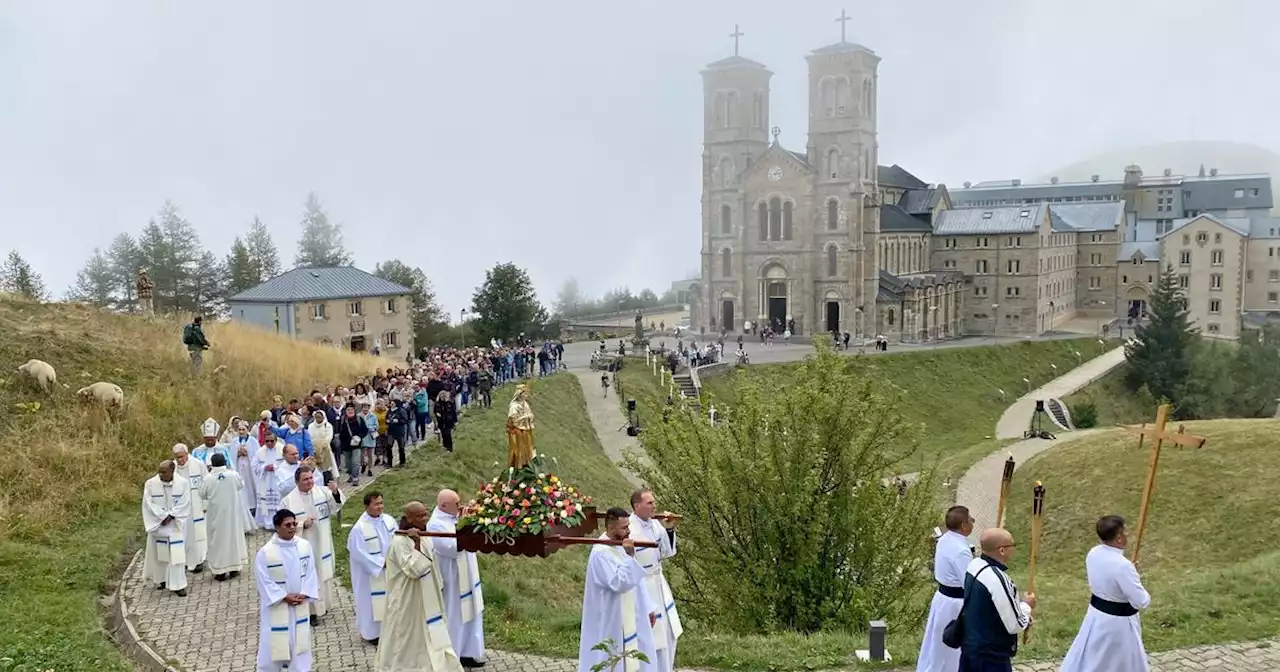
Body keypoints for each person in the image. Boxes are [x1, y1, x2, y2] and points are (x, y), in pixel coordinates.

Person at [374, 501, 463, 672]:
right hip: (408, 600)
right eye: (420, 516)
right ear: (409, 518)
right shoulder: (400, 542)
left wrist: (438, 586)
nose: (425, 518)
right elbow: (415, 569)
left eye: (426, 514)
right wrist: (415, 543)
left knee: (431, 633)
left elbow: (431, 563)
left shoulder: (424, 536)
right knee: (408, 636)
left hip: (427, 595)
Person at [1060, 515, 1151, 672]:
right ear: (1119, 538)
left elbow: (1109, 578)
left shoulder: (1094, 553)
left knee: (1092, 657)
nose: (1127, 535)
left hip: (1096, 617)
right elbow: (1140, 601)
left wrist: (1130, 574)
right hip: (1118, 626)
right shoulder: (1123, 566)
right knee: (1116, 663)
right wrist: (1134, 577)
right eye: (1125, 532)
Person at [578, 507, 658, 672]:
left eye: (628, 526)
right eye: (624, 527)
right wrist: (630, 557)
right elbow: (619, 583)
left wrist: (648, 607)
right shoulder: (600, 553)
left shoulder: (621, 544)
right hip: (613, 617)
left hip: (632, 614)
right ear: (611, 527)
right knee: (614, 659)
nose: (628, 531)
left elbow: (637, 581)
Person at [958, 528, 1035, 672]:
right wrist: (1026, 606)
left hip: (970, 646)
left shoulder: (974, 566)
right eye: (1012, 545)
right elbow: (1015, 624)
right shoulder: (998, 579)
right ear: (1002, 550)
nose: (1014, 549)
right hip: (990, 655)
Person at [254, 508, 320, 672]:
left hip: (299, 603)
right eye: (287, 525)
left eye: (294, 524)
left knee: (299, 642)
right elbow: (264, 581)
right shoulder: (266, 553)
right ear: (277, 527)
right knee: (275, 642)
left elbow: (311, 571)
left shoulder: (304, 546)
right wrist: (284, 596)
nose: (292, 527)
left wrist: (305, 593)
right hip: (278, 607)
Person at [428, 490, 486, 668]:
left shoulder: (454, 517)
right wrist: (464, 525)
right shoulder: (435, 524)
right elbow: (452, 548)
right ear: (444, 506)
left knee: (472, 611)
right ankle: (454, 654)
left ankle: (471, 652)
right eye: (456, 503)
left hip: (467, 574)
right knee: (455, 615)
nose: (460, 506)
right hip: (452, 578)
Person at [281, 464, 342, 626]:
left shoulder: (322, 492)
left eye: (311, 478)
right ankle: (311, 612)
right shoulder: (288, 500)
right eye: (305, 479)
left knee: (322, 573)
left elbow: (335, 507)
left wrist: (335, 493)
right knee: (307, 576)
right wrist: (301, 525)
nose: (309, 482)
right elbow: (282, 524)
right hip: (303, 544)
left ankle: (324, 606)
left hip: (322, 542)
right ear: (297, 481)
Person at [917, 506, 975, 672]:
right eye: (971, 520)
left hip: (942, 598)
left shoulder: (944, 539)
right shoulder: (961, 550)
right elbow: (968, 582)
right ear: (964, 525)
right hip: (955, 604)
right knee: (951, 648)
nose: (972, 524)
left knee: (937, 645)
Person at [629, 490, 682, 672]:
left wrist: (668, 528)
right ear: (637, 506)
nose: (654, 506)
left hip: (659, 583)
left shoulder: (654, 525)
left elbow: (667, 552)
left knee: (667, 631)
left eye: (654, 502)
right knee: (651, 634)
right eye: (650, 503)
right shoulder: (629, 528)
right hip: (643, 585)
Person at [348, 490, 397, 646]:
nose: (380, 507)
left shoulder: (389, 521)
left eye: (381, 503)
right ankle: (370, 633)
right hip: (369, 575)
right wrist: (380, 563)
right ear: (366, 506)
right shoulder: (359, 529)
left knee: (388, 599)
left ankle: (387, 630)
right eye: (376, 504)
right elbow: (358, 553)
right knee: (370, 603)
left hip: (389, 569)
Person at [142, 460, 191, 596]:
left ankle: (178, 585)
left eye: (164, 472)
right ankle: (162, 579)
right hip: (159, 524)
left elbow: (185, 502)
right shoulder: (151, 484)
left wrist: (171, 516)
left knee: (176, 555)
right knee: (159, 554)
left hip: (175, 524)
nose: (160, 474)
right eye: (159, 471)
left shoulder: (183, 483)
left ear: (172, 471)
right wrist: (162, 516)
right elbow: (148, 503)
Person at [200, 452, 248, 581]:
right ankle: (234, 568)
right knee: (233, 538)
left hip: (215, 515)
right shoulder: (233, 475)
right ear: (225, 463)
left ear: (212, 465)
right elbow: (240, 485)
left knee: (217, 541)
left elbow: (202, 494)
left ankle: (219, 571)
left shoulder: (208, 478)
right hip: (232, 514)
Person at [172, 442, 209, 573]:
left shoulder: (198, 464)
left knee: (197, 534)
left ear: (187, 454)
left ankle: (199, 560)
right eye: (177, 457)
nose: (180, 460)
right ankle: (184, 560)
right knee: (183, 535)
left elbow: (206, 484)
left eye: (182, 456)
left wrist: (205, 504)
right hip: (181, 508)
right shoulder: (173, 467)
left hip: (196, 507)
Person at [253, 432, 286, 530]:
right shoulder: (259, 452)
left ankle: (280, 523)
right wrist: (264, 467)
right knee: (266, 502)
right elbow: (254, 466)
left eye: (272, 441)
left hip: (278, 480)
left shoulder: (282, 449)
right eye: (267, 441)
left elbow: (287, 463)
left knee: (278, 502)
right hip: (265, 480)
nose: (269, 443)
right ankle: (267, 523)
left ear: (276, 440)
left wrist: (275, 467)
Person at [337, 403, 369, 486]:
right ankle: (351, 474)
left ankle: (355, 478)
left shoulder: (359, 419)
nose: (350, 411)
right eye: (348, 410)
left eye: (351, 409)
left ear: (354, 410)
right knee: (347, 464)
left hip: (356, 445)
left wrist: (359, 437)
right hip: (345, 446)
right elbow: (338, 431)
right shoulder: (342, 420)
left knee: (355, 462)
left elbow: (365, 430)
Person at [307, 409, 335, 483]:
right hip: (314, 449)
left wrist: (322, 444)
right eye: (317, 417)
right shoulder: (311, 426)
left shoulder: (328, 426)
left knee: (326, 467)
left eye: (320, 417)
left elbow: (329, 437)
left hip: (325, 449)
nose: (318, 419)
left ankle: (328, 480)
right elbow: (309, 436)